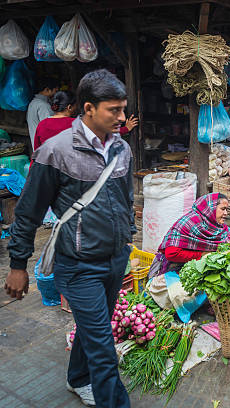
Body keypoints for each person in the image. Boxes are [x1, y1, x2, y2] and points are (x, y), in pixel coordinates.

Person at [6, 69, 134, 407]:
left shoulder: (122, 149)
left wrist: (127, 239)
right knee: (105, 351)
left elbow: (126, 200)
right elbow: (28, 213)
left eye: (123, 109)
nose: (122, 117)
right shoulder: (55, 152)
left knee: (96, 331)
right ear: (88, 108)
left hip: (115, 259)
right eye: (114, 110)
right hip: (78, 266)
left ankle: (78, 378)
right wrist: (18, 264)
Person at [149, 193, 230, 278]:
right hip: (171, 266)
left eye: (226, 210)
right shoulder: (189, 222)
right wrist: (202, 254)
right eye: (223, 209)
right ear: (210, 208)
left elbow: (227, 235)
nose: (226, 213)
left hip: (195, 264)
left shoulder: (216, 225)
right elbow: (171, 254)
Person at [34, 91, 139, 151]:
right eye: (75, 105)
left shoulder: (42, 125)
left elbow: (37, 154)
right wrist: (126, 128)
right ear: (69, 107)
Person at [26, 77, 59, 147]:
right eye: (55, 91)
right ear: (47, 90)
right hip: (44, 148)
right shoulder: (43, 106)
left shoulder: (33, 103)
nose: (56, 94)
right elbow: (50, 129)